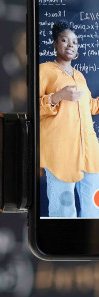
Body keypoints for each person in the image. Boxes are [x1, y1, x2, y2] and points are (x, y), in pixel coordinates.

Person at [40, 21, 99, 218]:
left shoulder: (80, 76)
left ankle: (91, 245)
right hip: (60, 153)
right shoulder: (45, 70)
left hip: (89, 151)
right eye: (64, 40)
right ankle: (64, 245)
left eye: (75, 41)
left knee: (94, 207)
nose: (70, 44)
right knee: (63, 209)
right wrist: (57, 96)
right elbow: (33, 108)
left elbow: (90, 106)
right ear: (55, 44)